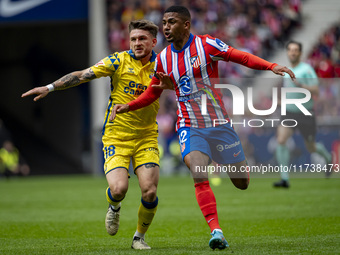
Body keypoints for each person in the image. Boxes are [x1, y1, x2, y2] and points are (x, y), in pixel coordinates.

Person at [110, 6, 295, 250]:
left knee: (242, 182)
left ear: (186, 25)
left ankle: (221, 158)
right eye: (164, 22)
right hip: (189, 125)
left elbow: (243, 57)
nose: (166, 26)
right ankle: (216, 231)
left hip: (219, 125)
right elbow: (153, 91)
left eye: (172, 22)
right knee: (199, 172)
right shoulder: (163, 58)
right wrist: (130, 106)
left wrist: (271, 66)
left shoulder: (207, 46)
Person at [22, 20, 161, 250]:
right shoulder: (118, 61)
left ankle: (139, 237)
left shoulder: (163, 64)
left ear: (153, 42)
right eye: (134, 39)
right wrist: (50, 88)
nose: (137, 43)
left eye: (142, 39)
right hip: (117, 135)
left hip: (146, 136)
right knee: (119, 189)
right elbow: (82, 75)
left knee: (150, 190)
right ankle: (114, 207)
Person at [274, 40, 332, 188]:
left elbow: (317, 91)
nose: (292, 52)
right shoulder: (286, 72)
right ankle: (285, 179)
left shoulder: (306, 70)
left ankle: (328, 158)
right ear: (287, 52)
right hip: (289, 112)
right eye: (290, 50)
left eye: (295, 50)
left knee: (311, 147)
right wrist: (282, 101)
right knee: (281, 140)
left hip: (305, 113)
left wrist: (301, 85)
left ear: (300, 53)